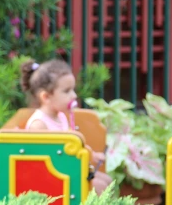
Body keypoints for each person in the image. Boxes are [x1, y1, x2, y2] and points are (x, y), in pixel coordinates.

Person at [20, 59, 113, 194]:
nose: (74, 96)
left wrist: (91, 155)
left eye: (73, 90)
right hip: (52, 180)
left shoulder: (61, 116)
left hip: (66, 171)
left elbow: (70, 145)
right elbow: (45, 164)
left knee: (107, 180)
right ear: (46, 97)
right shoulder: (39, 125)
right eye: (67, 91)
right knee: (100, 187)